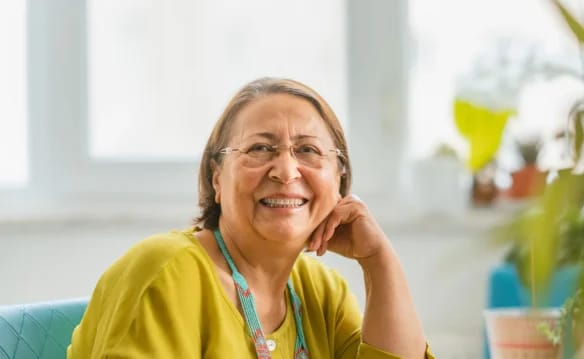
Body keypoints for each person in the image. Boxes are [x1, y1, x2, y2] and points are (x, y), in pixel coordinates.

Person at [68, 78, 433, 358]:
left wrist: (379, 261)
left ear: (339, 178)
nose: (286, 171)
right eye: (260, 148)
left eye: (308, 150)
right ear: (217, 178)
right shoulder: (167, 272)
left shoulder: (321, 292)